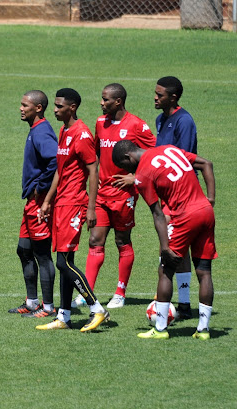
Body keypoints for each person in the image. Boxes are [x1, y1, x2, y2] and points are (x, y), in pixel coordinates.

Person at [112, 140, 215, 340]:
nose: (128, 171)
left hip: (184, 216)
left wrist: (165, 248)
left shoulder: (143, 175)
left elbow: (158, 214)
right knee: (204, 271)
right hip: (205, 211)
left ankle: (160, 329)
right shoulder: (169, 149)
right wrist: (210, 199)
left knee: (165, 270)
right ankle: (203, 330)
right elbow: (206, 164)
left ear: (128, 157)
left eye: (125, 167)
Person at [73, 83, 155, 309]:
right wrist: (95, 172)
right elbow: (96, 152)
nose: (101, 103)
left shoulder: (137, 125)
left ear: (118, 101)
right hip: (101, 193)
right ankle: (87, 293)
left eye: (105, 99)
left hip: (124, 194)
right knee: (94, 240)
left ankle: (120, 292)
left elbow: (155, 153)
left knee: (122, 241)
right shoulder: (100, 123)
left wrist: (134, 177)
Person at [35, 89, 110, 331]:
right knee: (65, 261)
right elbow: (60, 169)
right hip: (61, 204)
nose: (54, 110)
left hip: (75, 205)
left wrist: (90, 209)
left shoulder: (82, 134)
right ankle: (64, 316)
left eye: (59, 106)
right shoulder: (64, 130)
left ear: (73, 107)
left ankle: (96, 308)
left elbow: (93, 171)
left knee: (63, 262)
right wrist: (47, 201)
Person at [8, 90, 57, 318]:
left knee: (42, 254)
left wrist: (41, 187)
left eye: (25, 105)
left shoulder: (42, 133)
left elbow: (55, 160)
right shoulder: (36, 130)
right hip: (31, 203)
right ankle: (31, 302)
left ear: (38, 108)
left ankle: (48, 308)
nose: (21, 108)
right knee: (24, 250)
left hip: (39, 203)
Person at [154, 76, 198, 319]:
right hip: (166, 195)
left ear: (173, 97)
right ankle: (183, 304)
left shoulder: (184, 121)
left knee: (173, 251)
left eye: (160, 95)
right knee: (176, 250)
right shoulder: (162, 119)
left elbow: (185, 161)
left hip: (181, 196)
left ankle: (180, 304)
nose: (155, 97)